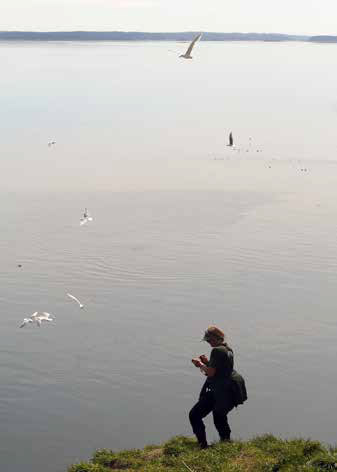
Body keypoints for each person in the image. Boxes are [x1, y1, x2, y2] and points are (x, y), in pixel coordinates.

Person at [189, 326, 247, 449]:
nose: (209, 343)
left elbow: (211, 373)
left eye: (209, 340)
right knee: (219, 416)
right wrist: (207, 363)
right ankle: (226, 443)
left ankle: (202, 445)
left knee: (195, 415)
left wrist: (199, 364)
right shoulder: (228, 349)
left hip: (221, 390)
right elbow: (220, 370)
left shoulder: (217, 351)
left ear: (216, 338)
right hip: (228, 388)